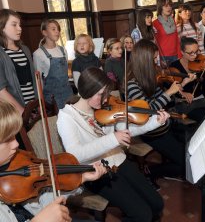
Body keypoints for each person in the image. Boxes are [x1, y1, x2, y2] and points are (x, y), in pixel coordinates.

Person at [57, 67, 166, 222]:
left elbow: (125, 131)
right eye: (101, 94)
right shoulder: (66, 118)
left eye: (106, 93)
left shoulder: (103, 108)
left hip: (119, 161)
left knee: (157, 204)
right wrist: (113, 139)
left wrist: (155, 122)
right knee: (142, 215)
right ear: (87, 91)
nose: (106, 99)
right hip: (98, 172)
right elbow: (76, 155)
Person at [0, 98, 106, 222]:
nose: (16, 144)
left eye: (15, 136)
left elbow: (41, 202)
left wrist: (80, 178)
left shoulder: (14, 161)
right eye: (7, 140)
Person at [127, 39, 188, 181]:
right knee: (185, 165)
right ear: (144, 61)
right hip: (151, 131)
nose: (156, 62)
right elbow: (147, 111)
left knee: (190, 145)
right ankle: (151, 172)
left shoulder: (149, 77)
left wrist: (178, 89)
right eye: (154, 59)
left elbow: (162, 100)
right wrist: (168, 93)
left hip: (164, 124)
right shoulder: (131, 84)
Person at [0, 9, 36, 115]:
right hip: (14, 112)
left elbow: (33, 81)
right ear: (2, 27)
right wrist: (23, 112)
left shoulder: (25, 49)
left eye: (19, 25)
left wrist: (37, 105)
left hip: (33, 108)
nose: (19, 28)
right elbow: (1, 91)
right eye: (14, 25)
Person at [33, 19, 73, 110]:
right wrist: (40, 102)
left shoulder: (63, 50)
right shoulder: (38, 54)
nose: (57, 32)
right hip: (52, 99)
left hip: (68, 94)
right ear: (45, 32)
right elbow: (39, 82)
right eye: (53, 29)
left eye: (58, 29)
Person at [170, 37, 205, 122]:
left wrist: (202, 77)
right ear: (182, 52)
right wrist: (182, 92)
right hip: (184, 103)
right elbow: (170, 88)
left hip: (201, 99)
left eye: (196, 52)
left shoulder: (200, 63)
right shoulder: (174, 67)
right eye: (191, 53)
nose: (195, 55)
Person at [153, 0, 182, 66]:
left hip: (175, 55)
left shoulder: (173, 21)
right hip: (163, 56)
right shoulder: (155, 23)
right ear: (160, 8)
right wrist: (158, 58)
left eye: (170, 6)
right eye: (166, 6)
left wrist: (179, 54)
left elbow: (176, 39)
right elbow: (154, 43)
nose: (169, 8)